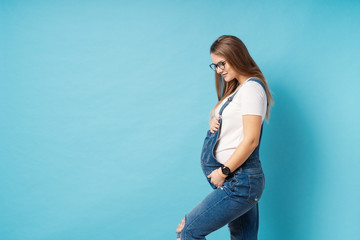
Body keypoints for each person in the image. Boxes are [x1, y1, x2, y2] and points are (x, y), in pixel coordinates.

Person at [176, 35, 274, 240]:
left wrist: (224, 171)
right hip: (238, 180)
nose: (219, 70)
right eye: (215, 66)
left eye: (222, 63)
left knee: (188, 231)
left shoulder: (251, 89)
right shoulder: (238, 90)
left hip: (239, 180)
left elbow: (251, 140)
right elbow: (235, 127)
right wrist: (215, 120)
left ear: (237, 56)